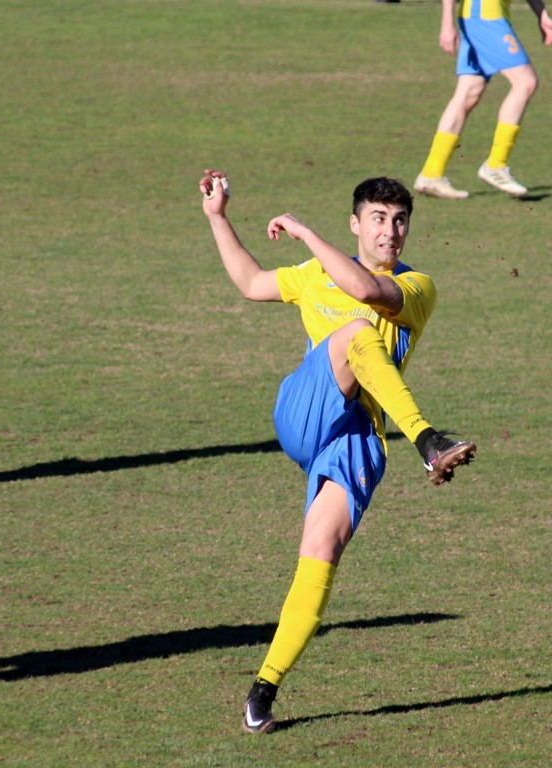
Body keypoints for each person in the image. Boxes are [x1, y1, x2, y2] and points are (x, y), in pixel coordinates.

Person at [199, 169, 477, 734]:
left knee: (320, 554)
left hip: (357, 438)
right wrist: (218, 217)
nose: (390, 231)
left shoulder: (417, 286)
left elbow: (370, 291)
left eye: (400, 221)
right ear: (355, 224)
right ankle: (427, 441)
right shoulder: (313, 272)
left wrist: (309, 237)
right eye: (378, 219)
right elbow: (252, 282)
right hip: (304, 410)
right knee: (353, 333)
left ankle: (263, 690)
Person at [413, 0, 552, 199]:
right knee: (525, 82)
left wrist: (542, 14)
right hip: (485, 18)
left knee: (468, 93)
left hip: (479, 18)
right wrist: (446, 24)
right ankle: (496, 165)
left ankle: (431, 173)